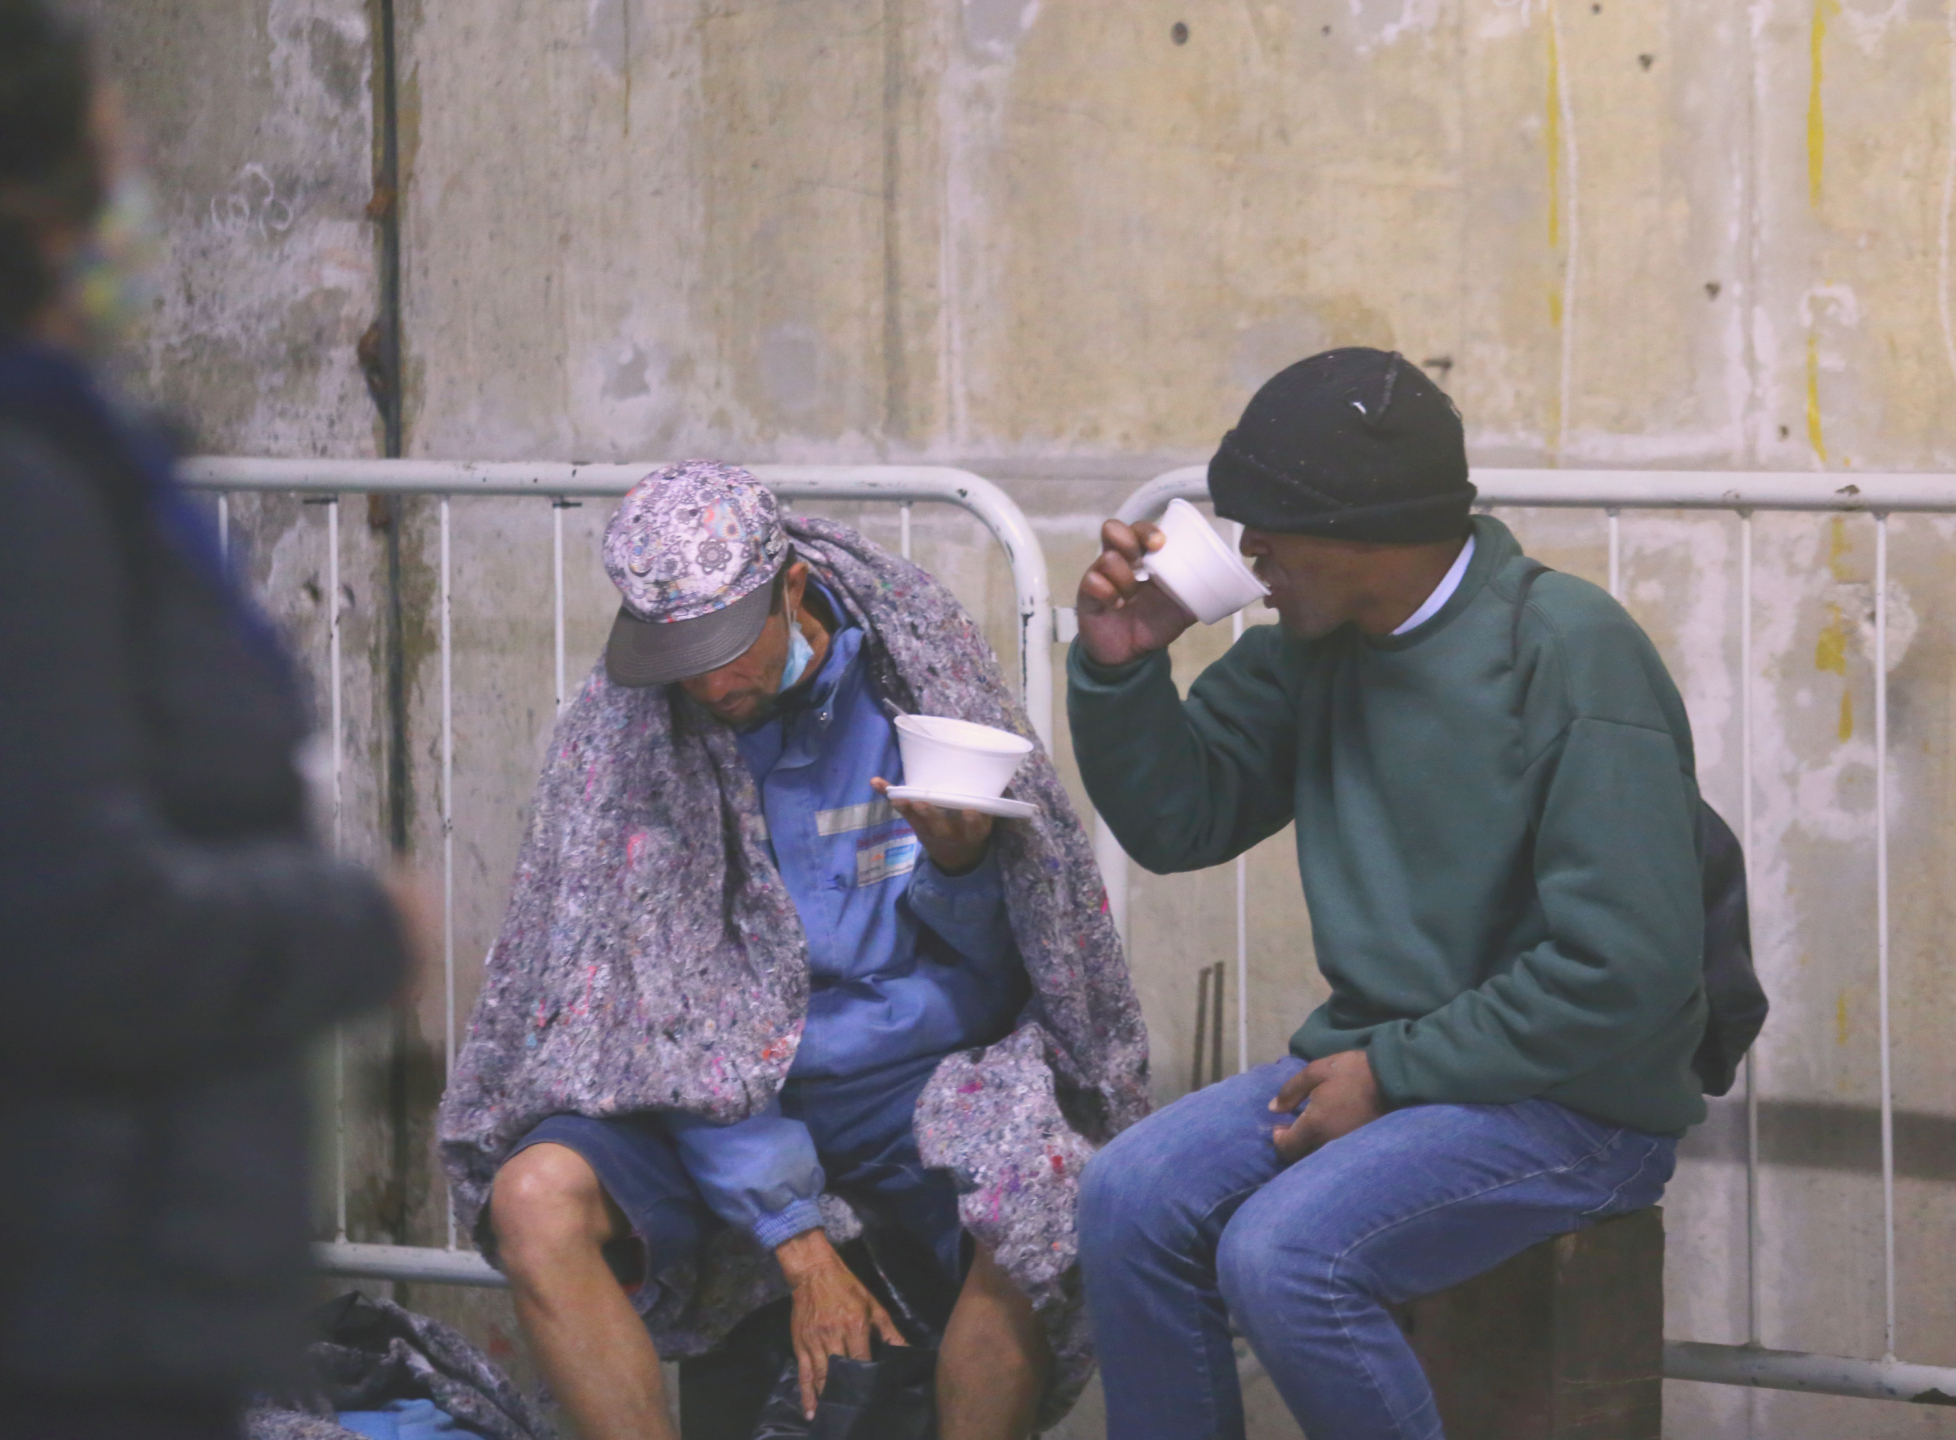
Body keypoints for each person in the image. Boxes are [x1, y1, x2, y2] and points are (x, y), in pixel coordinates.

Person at [1068, 348, 1706, 1440]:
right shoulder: (1313, 651)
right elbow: (1180, 824)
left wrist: (1395, 1071)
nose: (1247, 551)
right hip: (1389, 1061)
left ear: (1368, 532)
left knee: (1285, 1258)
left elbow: (1625, 970)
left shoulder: (1566, 650)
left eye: (1269, 526)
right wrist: (1124, 668)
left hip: (1577, 1101)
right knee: (1126, 1200)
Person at [437, 464, 1146, 1440]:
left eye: (728, 648)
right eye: (679, 656)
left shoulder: (912, 674)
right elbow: (661, 1024)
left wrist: (961, 865)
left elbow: (1010, 967)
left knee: (1044, 1175)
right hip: (696, 1103)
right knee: (534, 1199)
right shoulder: (634, 734)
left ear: (794, 590)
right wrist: (796, 1236)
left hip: (909, 1077)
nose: (710, 682)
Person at [0, 4, 419, 1436]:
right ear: (39, 205)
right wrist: (352, 930)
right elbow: (64, 913)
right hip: (68, 1282)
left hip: (129, 1275)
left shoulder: (86, 466)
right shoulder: (34, 497)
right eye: (117, 157)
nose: (145, 189)